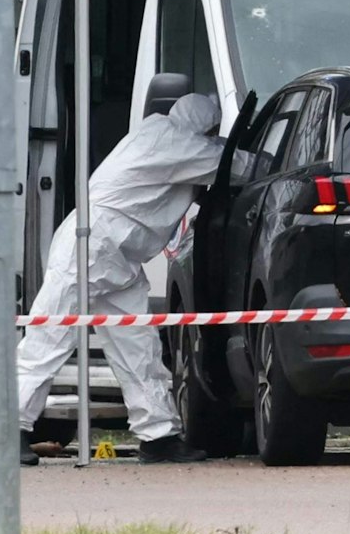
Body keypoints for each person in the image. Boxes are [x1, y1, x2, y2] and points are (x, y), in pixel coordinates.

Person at [18, 93, 226, 464]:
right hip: (92, 246)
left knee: (138, 349)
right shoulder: (177, 144)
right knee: (47, 340)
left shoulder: (158, 133)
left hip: (117, 256)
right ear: (204, 128)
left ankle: (159, 435)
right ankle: (8, 431)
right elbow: (234, 164)